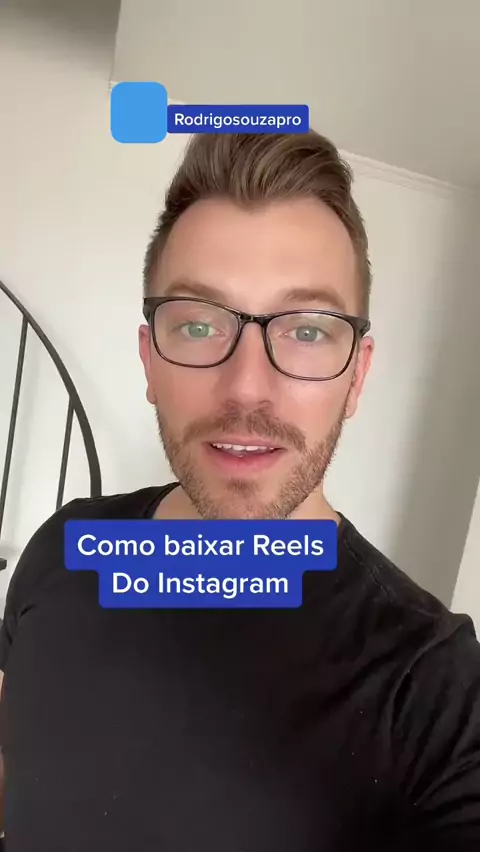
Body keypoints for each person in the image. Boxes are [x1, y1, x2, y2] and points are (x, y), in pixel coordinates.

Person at [0, 130, 479, 852]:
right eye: (198, 324)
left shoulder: (435, 687)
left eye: (308, 332)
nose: (247, 387)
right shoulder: (61, 550)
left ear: (357, 376)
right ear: (149, 360)